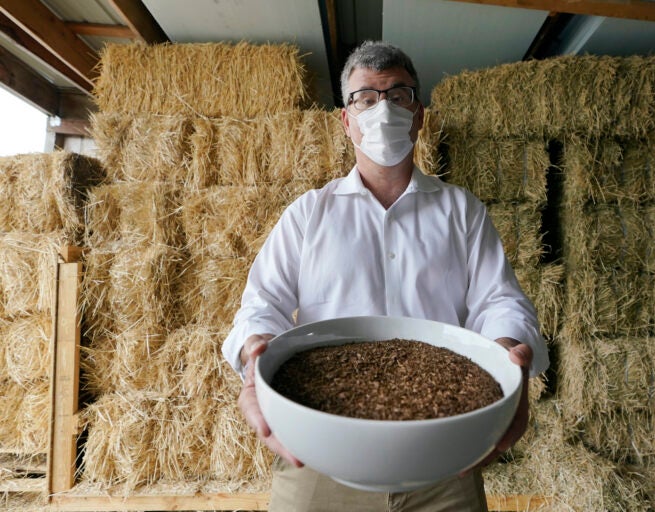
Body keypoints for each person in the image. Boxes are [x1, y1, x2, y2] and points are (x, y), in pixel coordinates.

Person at [222, 40, 549, 512]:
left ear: (418, 114)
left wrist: (508, 356)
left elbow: (500, 300)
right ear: (345, 120)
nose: (382, 110)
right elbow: (260, 304)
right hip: (321, 448)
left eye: (398, 96)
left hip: (443, 451)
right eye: (365, 98)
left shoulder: (461, 211)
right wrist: (256, 353)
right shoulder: (310, 214)